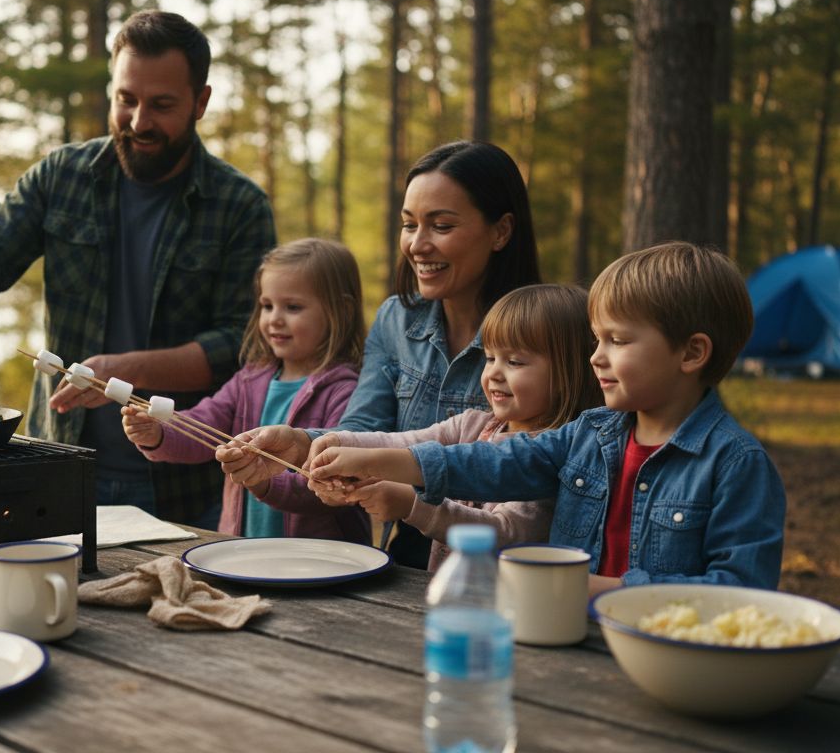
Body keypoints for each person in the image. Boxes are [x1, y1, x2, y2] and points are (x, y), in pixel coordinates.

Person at [0, 11, 276, 528]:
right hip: (58, 469)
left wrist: (125, 372)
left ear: (200, 102)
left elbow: (239, 347)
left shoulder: (240, 206)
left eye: (161, 105)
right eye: (125, 100)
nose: (138, 122)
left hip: (186, 486)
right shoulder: (62, 176)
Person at [308, 242, 786, 593]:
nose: (595, 358)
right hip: (564, 641)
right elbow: (495, 462)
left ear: (692, 353)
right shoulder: (591, 433)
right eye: (596, 340)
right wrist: (370, 459)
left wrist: (597, 589)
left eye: (617, 341)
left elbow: (738, 592)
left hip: (667, 657)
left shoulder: (735, 464)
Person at [216, 140, 541, 567]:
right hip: (407, 555)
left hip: (499, 563)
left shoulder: (542, 333)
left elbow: (521, 467)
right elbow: (368, 427)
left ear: (500, 231)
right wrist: (305, 448)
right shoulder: (396, 320)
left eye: (441, 226)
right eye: (410, 225)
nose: (418, 245)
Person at [302, 284, 602, 569]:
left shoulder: (559, 456)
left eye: (515, 362)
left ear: (567, 373)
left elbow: (505, 532)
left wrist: (411, 505)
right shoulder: (473, 424)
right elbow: (404, 443)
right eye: (490, 358)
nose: (494, 373)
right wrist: (337, 442)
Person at [120, 239, 370, 543]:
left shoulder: (346, 391)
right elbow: (203, 425)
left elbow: (329, 487)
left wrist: (263, 481)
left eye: (292, 307)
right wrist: (159, 433)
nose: (274, 318)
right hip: (244, 552)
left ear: (340, 311)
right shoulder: (249, 380)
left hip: (322, 562)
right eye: (267, 305)